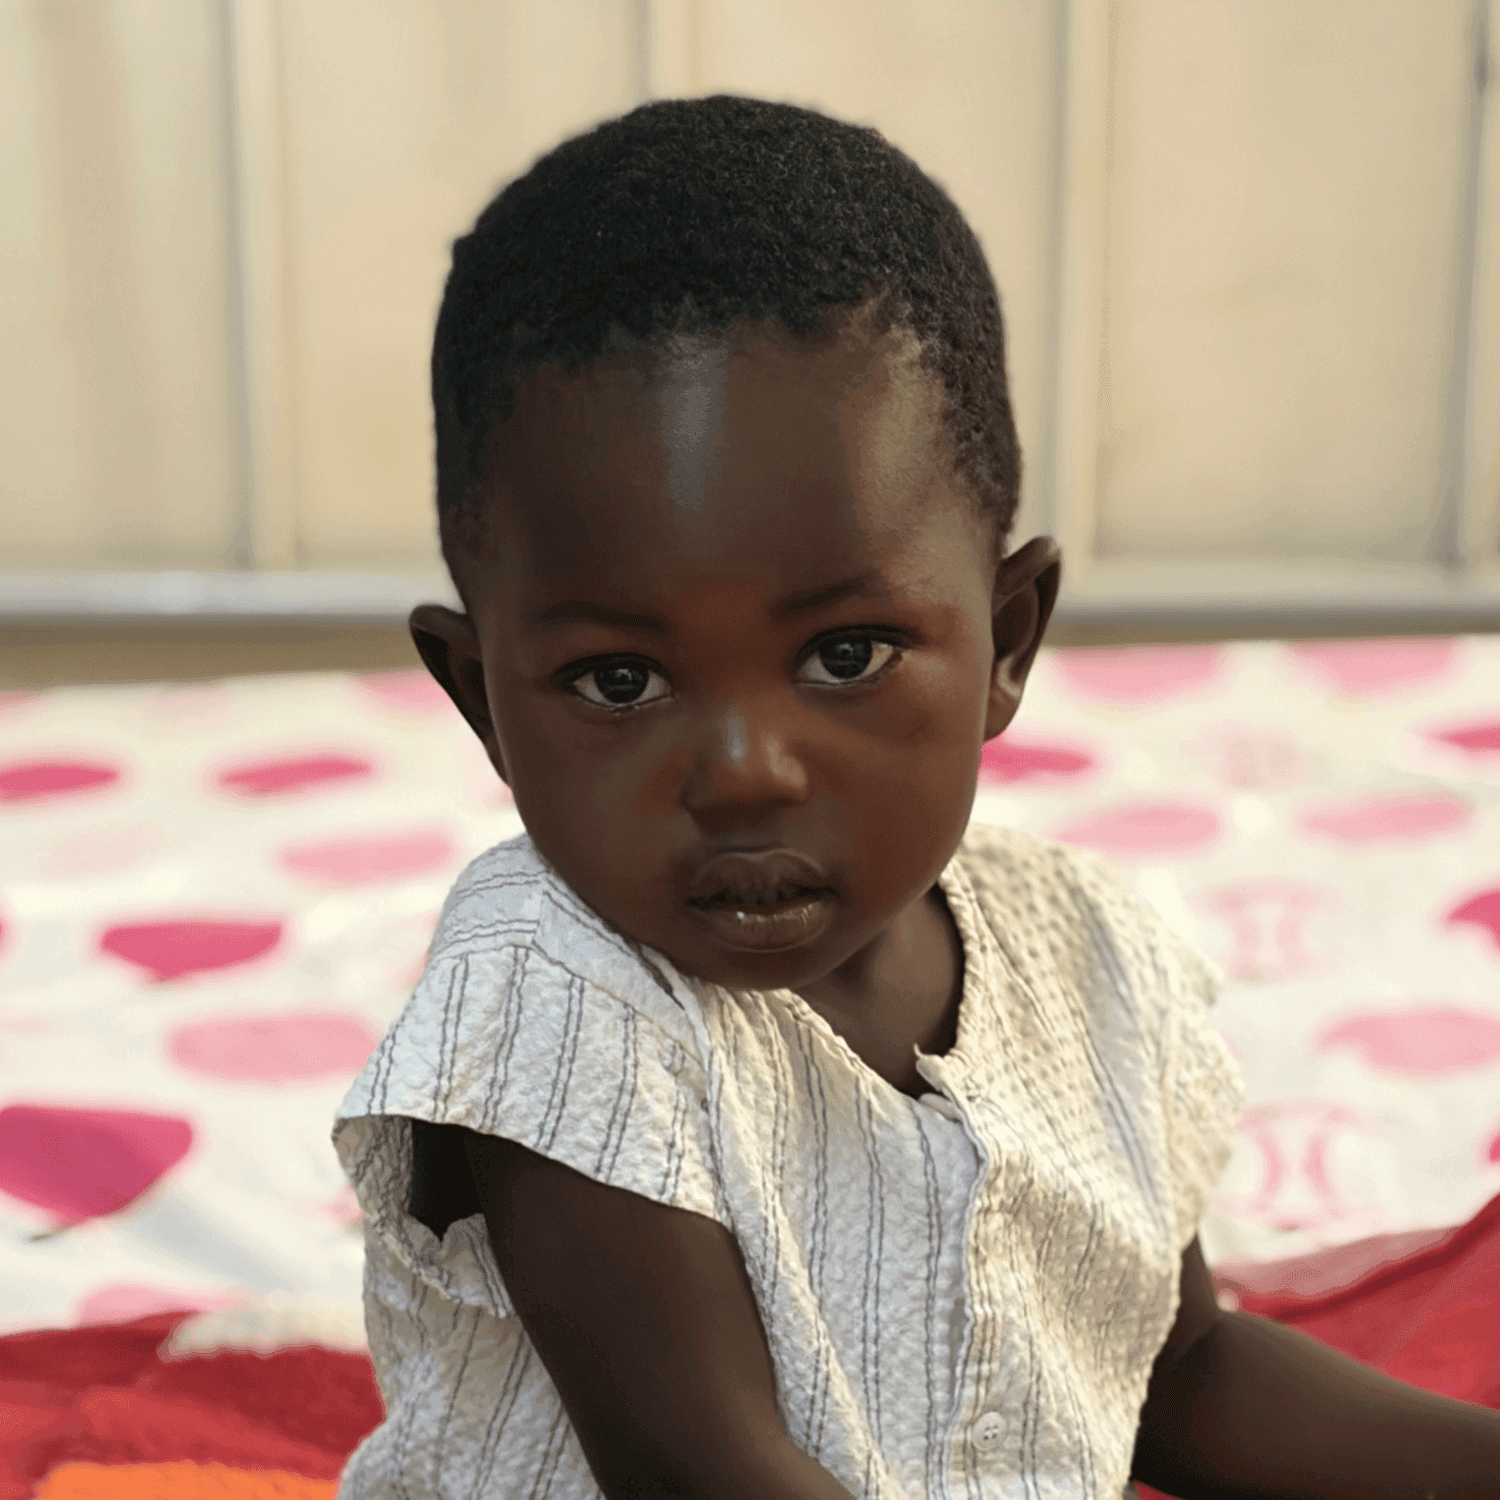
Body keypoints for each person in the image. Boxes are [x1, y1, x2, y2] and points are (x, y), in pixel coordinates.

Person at [332, 95, 1500, 1499]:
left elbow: (1175, 1373)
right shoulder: (552, 1000)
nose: (745, 770)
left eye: (846, 655)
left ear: (1007, 640)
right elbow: (702, 1472)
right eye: (619, 681)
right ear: (481, 700)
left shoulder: (1085, 961)